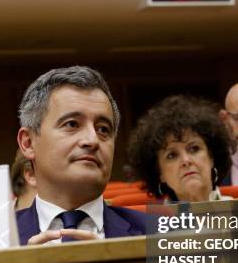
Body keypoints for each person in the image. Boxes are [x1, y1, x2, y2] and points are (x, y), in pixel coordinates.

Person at [16, 66, 146, 245]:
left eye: (103, 129)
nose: (92, 140)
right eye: (72, 124)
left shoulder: (169, 235)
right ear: (28, 143)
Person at [128, 95, 233, 202]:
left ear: (211, 157)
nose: (186, 161)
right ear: (159, 173)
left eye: (194, 149)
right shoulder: (153, 218)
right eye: (172, 155)